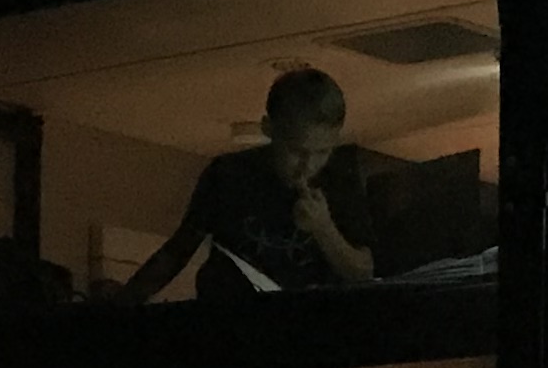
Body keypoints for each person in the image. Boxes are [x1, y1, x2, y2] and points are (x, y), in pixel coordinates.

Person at [118, 68, 386, 300]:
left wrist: (324, 228)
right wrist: (118, 305)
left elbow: (363, 272)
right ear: (268, 128)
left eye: (322, 153)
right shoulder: (229, 174)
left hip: (308, 330)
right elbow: (177, 252)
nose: (308, 166)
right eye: (296, 151)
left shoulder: (339, 180)